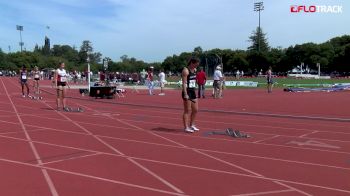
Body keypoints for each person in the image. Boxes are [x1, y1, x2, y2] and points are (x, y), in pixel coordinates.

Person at [182, 57, 200, 133]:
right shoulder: (185, 70)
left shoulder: (195, 70)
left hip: (192, 91)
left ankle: (192, 124)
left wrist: (195, 86)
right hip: (187, 92)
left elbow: (193, 80)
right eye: (196, 65)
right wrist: (185, 94)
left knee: (195, 110)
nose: (196, 66)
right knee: (187, 110)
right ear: (192, 63)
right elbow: (184, 83)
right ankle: (186, 127)